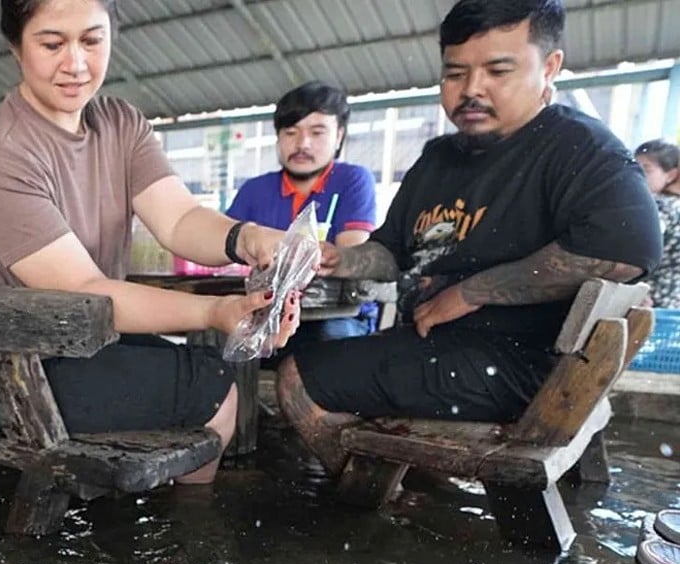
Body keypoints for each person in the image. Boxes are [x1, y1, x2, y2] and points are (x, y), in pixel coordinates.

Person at [275, 0, 662, 476]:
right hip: (440, 350)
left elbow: (627, 250)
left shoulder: (577, 147)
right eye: (455, 73)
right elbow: (392, 251)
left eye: (498, 71)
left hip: (523, 366)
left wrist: (472, 292)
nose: (472, 89)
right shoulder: (437, 158)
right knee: (331, 360)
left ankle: (382, 496)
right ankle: (409, 481)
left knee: (297, 377)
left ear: (549, 67)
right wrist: (339, 259)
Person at [0, 0, 301, 484]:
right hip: (9, 362)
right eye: (52, 44)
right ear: (16, 47)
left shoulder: (119, 122)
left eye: (92, 41)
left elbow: (179, 219)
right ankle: (189, 522)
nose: (76, 64)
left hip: (86, 338)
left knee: (206, 371)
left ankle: (163, 513)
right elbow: (83, 289)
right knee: (213, 388)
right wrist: (215, 312)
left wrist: (247, 237)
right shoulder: (2, 152)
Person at [226, 82, 379, 344]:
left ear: (339, 136)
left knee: (326, 345)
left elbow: (352, 252)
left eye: (317, 132)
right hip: (264, 312)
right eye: (290, 132)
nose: (302, 143)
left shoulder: (353, 180)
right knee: (216, 341)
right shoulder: (254, 190)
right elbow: (224, 255)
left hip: (336, 315)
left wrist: (334, 256)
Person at [635, 139, 680, 308]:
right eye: (635, 166)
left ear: (671, 175)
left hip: (651, 303)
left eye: (646, 169)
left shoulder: (661, 208)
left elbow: (639, 249)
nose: (638, 174)